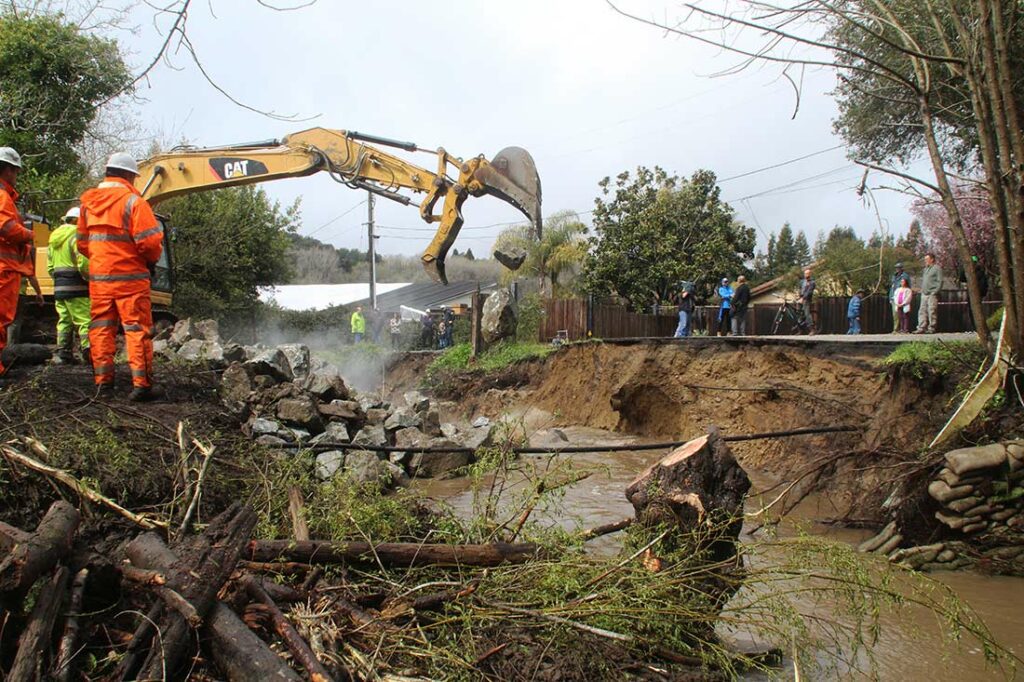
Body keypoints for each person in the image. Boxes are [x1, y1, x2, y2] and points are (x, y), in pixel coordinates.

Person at [78, 152, 165, 401]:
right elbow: (149, 243)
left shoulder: (88, 205)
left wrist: (103, 260)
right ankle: (141, 385)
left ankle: (103, 384)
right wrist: (146, 260)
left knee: (101, 330)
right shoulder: (133, 203)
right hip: (130, 280)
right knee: (136, 330)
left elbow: (83, 244)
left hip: (100, 280)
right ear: (128, 175)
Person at [0, 147, 34, 377]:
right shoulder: (2, 196)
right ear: (8, 170)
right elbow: (5, 226)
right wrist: (30, 234)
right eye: (16, 171)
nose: (16, 176)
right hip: (3, 269)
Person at [47, 207, 91, 365]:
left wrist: (60, 280)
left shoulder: (54, 237)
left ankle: (63, 352)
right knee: (85, 320)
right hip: (77, 286)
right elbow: (83, 261)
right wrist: (89, 278)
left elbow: (50, 267)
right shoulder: (76, 235)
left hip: (59, 287)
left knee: (64, 320)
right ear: (76, 220)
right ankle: (89, 351)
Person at [915, 253, 942, 334]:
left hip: (932, 293)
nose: (925, 261)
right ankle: (921, 327)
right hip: (924, 293)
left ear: (932, 259)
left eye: (927, 259)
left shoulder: (937, 268)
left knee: (932, 310)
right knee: (922, 311)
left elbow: (940, 281)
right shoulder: (925, 269)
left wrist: (935, 291)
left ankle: (931, 328)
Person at [889, 262, 911, 333]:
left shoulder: (905, 276)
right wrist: (890, 297)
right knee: (895, 314)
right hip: (894, 298)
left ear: (902, 268)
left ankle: (904, 329)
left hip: (903, 298)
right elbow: (892, 287)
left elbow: (909, 286)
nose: (897, 269)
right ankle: (896, 329)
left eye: (899, 268)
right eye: (896, 268)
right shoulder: (894, 276)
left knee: (904, 315)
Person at [798, 268, 816, 334]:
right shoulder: (802, 281)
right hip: (800, 299)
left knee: (807, 314)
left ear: (810, 274)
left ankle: (812, 330)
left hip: (807, 299)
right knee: (799, 314)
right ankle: (800, 330)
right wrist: (799, 297)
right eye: (805, 273)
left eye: (808, 273)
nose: (806, 274)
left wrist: (803, 298)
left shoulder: (812, 282)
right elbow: (800, 289)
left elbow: (809, 292)